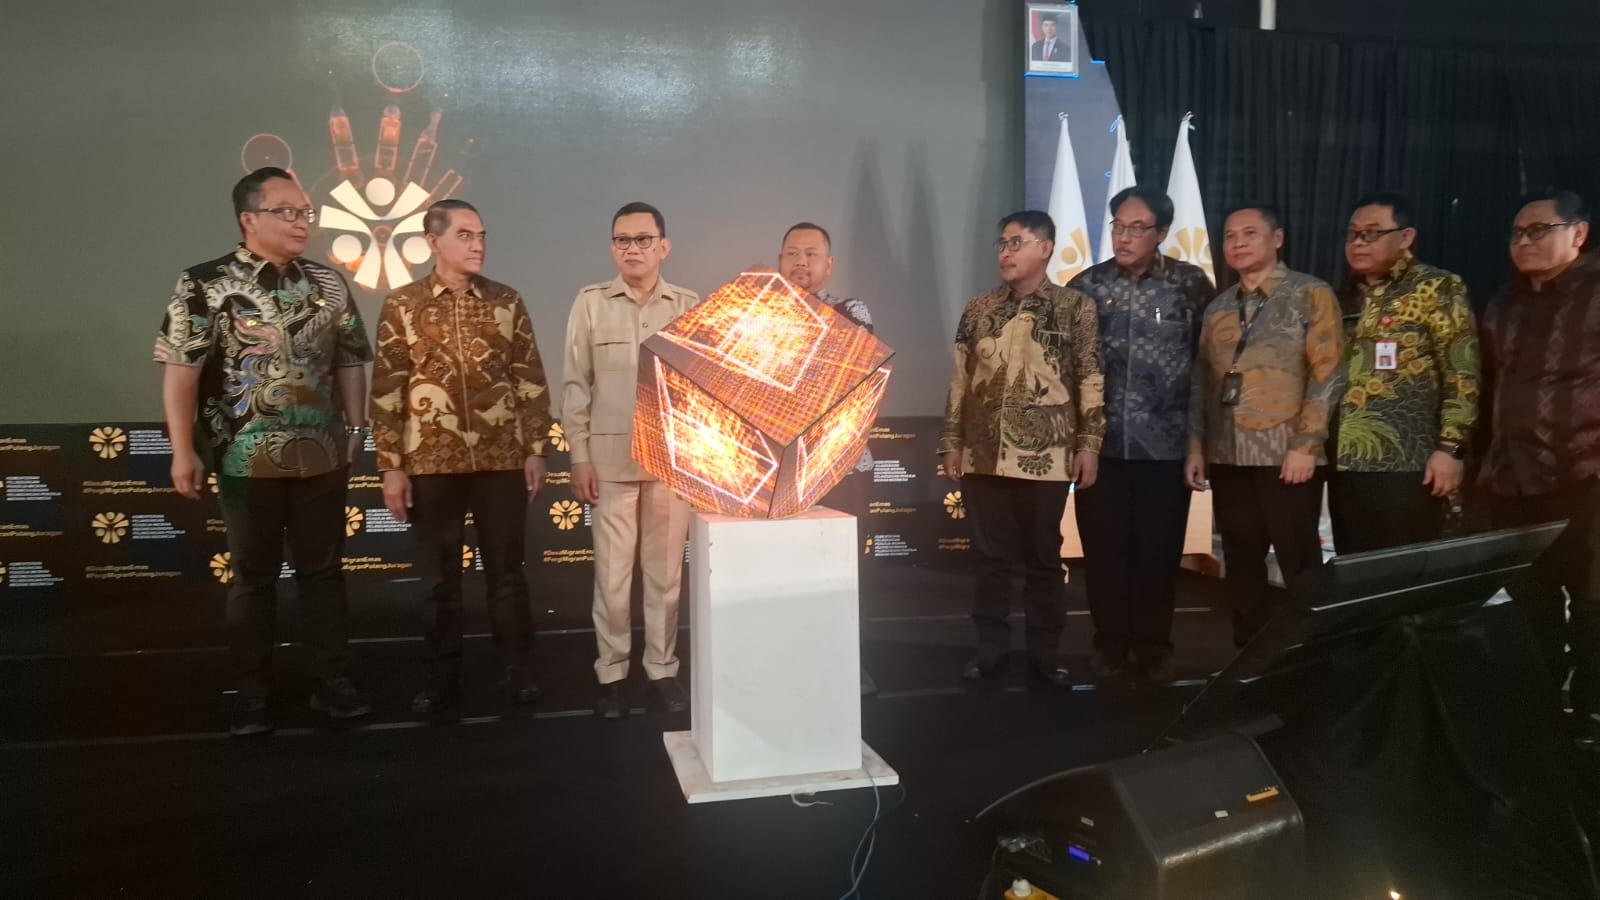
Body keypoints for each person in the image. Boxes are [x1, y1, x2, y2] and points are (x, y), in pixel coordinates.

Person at [155, 166, 373, 736]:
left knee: (323, 574)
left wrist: (356, 429)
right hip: (243, 457)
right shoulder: (203, 284)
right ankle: (253, 691)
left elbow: (351, 359)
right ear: (249, 219)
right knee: (253, 579)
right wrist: (182, 450)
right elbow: (181, 370)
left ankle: (332, 680)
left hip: (323, 454)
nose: (302, 223)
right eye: (287, 212)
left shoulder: (328, 283)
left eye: (306, 213)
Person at [370, 200, 552, 714]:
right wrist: (391, 466)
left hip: (501, 462)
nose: (478, 245)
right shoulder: (403, 304)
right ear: (434, 242)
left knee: (507, 575)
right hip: (430, 464)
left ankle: (517, 670)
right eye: (466, 235)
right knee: (438, 582)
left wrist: (536, 449)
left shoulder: (506, 300)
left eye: (482, 235)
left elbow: (529, 379)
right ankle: (441, 677)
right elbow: (387, 389)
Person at [940, 210, 1105, 686]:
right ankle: (990, 650)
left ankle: (1045, 653)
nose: (1005, 253)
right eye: (1002, 244)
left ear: (1045, 248)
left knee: (1043, 559)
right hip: (984, 455)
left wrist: (1089, 444)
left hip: (1047, 457)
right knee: (990, 561)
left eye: (1016, 243)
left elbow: (1090, 377)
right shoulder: (979, 309)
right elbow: (960, 380)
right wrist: (952, 441)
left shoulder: (1075, 307)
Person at [1067, 186, 1213, 684]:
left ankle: (1153, 646)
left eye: (1136, 228)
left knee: (1158, 554)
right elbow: (1070, 369)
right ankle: (1110, 644)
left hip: (1166, 446)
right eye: (1117, 226)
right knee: (1104, 554)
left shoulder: (1190, 285)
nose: (1124, 237)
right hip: (1101, 448)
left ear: (1162, 232)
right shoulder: (1086, 285)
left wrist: (1197, 443)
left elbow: (1204, 367)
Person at [562, 202, 699, 719]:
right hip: (609, 462)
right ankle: (612, 674)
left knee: (665, 579)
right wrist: (579, 456)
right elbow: (576, 386)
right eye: (623, 240)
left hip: (670, 465)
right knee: (613, 579)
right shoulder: (591, 303)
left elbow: (701, 392)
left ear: (664, 246)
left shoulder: (688, 305)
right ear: (612, 247)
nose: (632, 249)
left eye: (643, 239)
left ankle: (661, 670)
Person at [1186, 205, 1343, 648]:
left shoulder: (1310, 293)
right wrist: (1196, 446)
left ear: (1277, 239)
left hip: (1286, 454)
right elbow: (1201, 382)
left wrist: (1307, 443)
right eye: (1230, 235)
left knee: (1299, 561)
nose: (1237, 242)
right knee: (1239, 559)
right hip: (1228, 453)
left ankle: (1312, 654)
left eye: (1249, 233)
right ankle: (1249, 651)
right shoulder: (1218, 307)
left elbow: (1329, 373)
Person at [1478, 188, 1600, 744]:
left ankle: (1591, 720)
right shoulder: (1503, 303)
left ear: (1579, 234)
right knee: (1531, 607)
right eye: (1516, 233)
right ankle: (1542, 719)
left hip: (1585, 477)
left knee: (1594, 606)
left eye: (1538, 230)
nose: (1523, 241)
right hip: (1513, 478)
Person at [1329, 193, 1479, 554]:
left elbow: (1462, 372)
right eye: (1353, 234)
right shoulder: (1340, 297)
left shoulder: (1438, 287)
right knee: (1354, 569)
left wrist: (1451, 448)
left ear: (1406, 237)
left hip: (1409, 461)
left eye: (1372, 233)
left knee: (1403, 570)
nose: (1359, 242)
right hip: (1344, 462)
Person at [778, 221, 879, 696]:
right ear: (780, 261)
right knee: (786, 572)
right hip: (781, 470)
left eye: (811, 254)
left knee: (842, 572)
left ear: (828, 264)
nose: (800, 262)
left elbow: (841, 375)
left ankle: (848, 662)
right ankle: (791, 660)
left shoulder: (850, 311)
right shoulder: (757, 317)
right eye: (792, 253)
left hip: (842, 466)